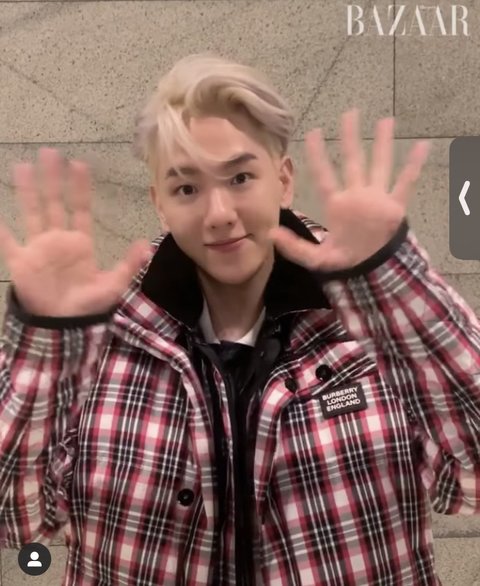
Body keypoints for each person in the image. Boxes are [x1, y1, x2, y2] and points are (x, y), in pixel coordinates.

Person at [0, 52, 478, 586]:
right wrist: (44, 348)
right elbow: (14, 518)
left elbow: (471, 474)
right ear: (160, 203)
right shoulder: (104, 335)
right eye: (187, 188)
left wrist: (391, 280)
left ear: (284, 179)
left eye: (240, 177)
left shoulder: (375, 324)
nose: (219, 214)